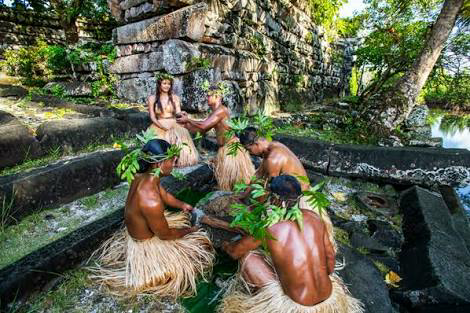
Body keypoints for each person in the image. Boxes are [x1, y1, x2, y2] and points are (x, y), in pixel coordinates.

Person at [219, 175, 363, 313]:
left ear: (276, 200)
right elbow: (330, 261)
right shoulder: (314, 217)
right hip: (329, 299)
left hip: (295, 307)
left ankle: (261, 302)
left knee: (248, 257)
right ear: (298, 197)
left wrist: (226, 244)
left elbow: (235, 252)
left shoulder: (271, 228)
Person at [89, 139, 214, 297]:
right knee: (199, 252)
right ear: (158, 164)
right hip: (148, 245)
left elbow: (165, 195)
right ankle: (156, 271)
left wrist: (182, 205)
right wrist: (190, 230)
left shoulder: (142, 176)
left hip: (143, 231)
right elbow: (165, 235)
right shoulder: (151, 201)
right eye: (172, 160)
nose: (175, 163)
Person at [239, 127, 336, 251]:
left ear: (256, 143)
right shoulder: (272, 145)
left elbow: (269, 191)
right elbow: (259, 173)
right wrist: (245, 193)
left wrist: (254, 210)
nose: (249, 153)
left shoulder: (273, 159)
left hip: (298, 198)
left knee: (273, 231)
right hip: (288, 192)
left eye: (249, 149)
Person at [177, 83, 255, 191]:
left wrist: (188, 119)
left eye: (209, 95)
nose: (206, 98)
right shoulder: (215, 112)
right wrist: (185, 125)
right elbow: (202, 129)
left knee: (239, 183)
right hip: (224, 149)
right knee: (230, 184)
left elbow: (203, 124)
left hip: (231, 150)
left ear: (217, 96)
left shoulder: (221, 110)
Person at [147, 74, 199, 167]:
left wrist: (182, 114)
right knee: (161, 141)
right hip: (158, 124)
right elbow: (152, 117)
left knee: (178, 136)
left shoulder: (175, 98)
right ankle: (165, 163)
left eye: (169, 84)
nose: (167, 86)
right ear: (159, 84)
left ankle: (179, 160)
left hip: (173, 123)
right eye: (164, 83)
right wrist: (161, 126)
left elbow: (178, 113)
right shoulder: (152, 98)